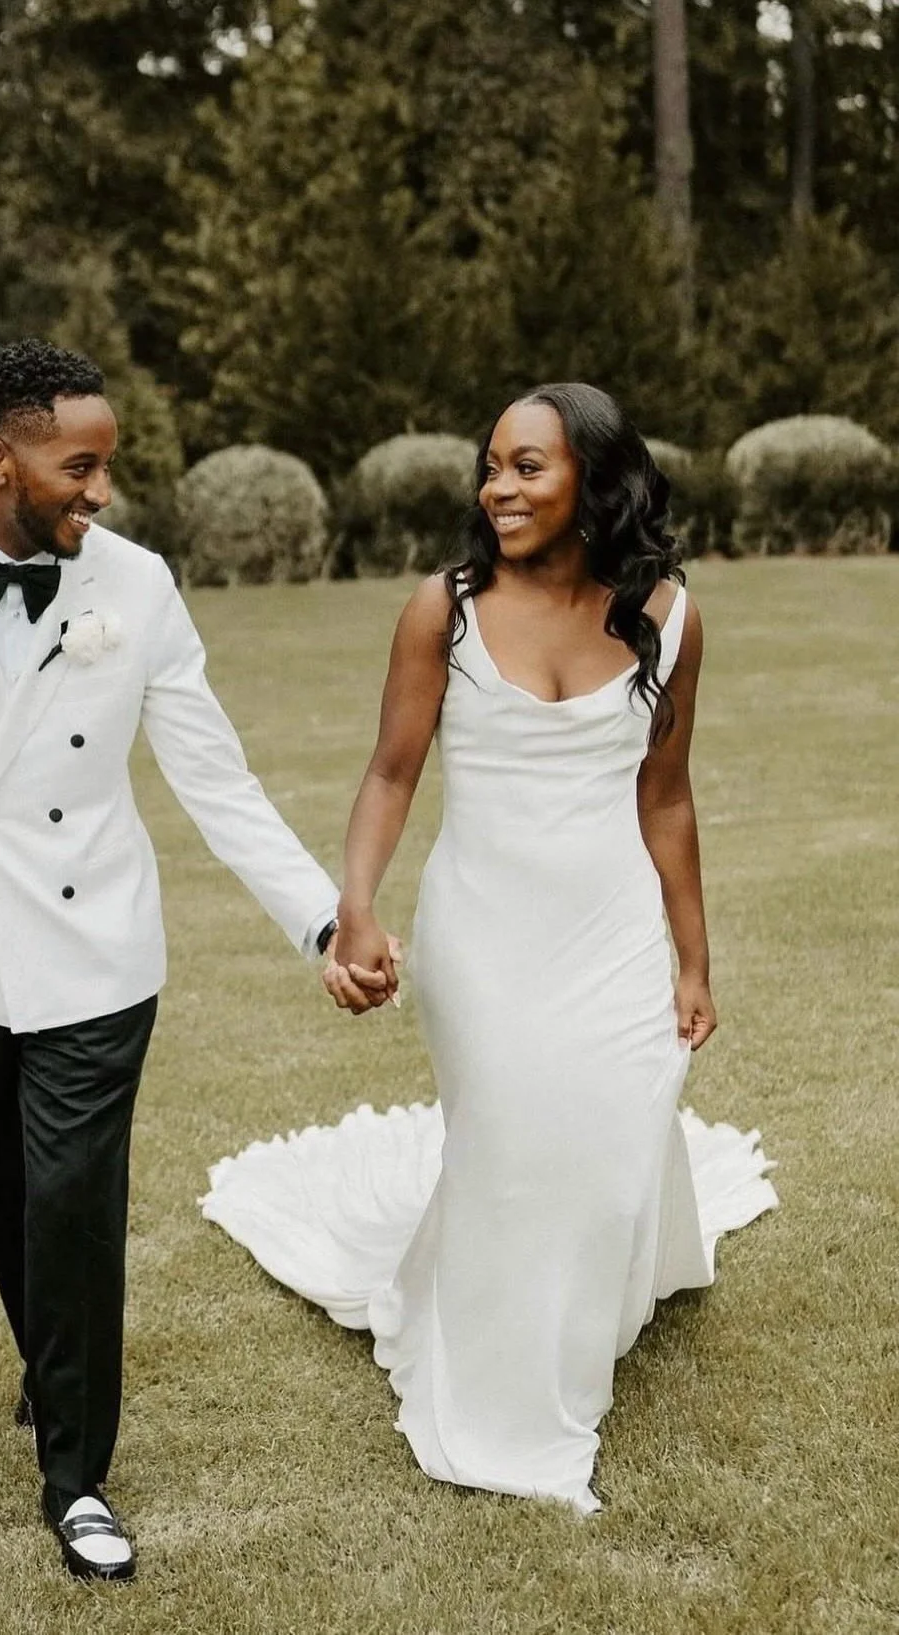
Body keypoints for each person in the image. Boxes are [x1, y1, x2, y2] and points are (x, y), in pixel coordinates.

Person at [0, 338, 360, 1581]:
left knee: (75, 1204)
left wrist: (322, 919)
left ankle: (76, 1477)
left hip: (97, 956)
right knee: (5, 1194)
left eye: (105, 466)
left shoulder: (136, 587)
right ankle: (54, 1367)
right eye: (77, 466)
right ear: (1, 458)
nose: (100, 490)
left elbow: (216, 776)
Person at [203, 383, 777, 1514]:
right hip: (486, 935)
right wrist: (354, 905)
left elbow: (667, 798)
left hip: (611, 930)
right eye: (492, 467)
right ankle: (511, 1412)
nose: (498, 489)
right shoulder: (444, 608)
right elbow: (389, 771)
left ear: (596, 483)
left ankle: (597, 1293)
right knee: (514, 1144)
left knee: (611, 1141)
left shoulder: (669, 613)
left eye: (528, 468)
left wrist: (692, 959)